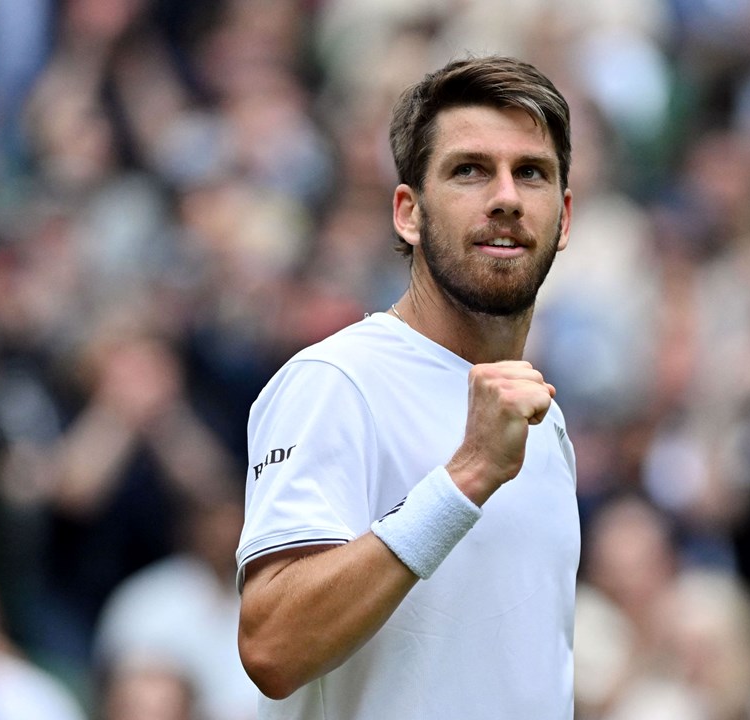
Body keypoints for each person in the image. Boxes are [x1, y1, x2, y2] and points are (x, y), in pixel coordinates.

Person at [235, 55, 579, 718]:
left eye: (530, 172)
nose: (506, 196)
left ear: (563, 218)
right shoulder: (334, 383)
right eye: (470, 170)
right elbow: (272, 647)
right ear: (408, 213)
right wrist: (465, 479)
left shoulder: (545, 418)